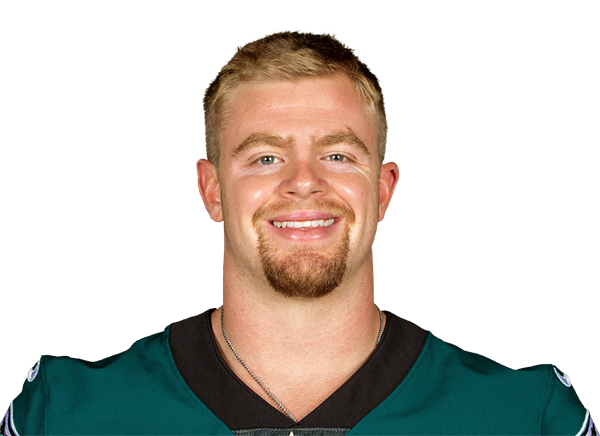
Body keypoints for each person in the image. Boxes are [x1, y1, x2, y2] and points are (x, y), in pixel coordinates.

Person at [4, 32, 595, 436]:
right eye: (265, 158)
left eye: (338, 155)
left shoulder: (524, 415)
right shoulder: (65, 414)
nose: (304, 182)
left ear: (383, 188)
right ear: (212, 191)